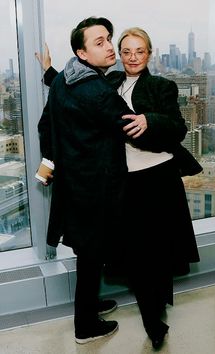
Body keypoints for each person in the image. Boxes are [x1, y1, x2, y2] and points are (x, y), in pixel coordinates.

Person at [36, 26, 201, 350]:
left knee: (155, 253)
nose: (132, 56)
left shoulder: (162, 86)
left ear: (150, 54)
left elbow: (178, 127)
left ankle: (154, 322)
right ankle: (147, 318)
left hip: (158, 180)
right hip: (126, 184)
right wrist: (50, 72)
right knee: (137, 254)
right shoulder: (107, 83)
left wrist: (149, 120)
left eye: (140, 51)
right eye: (126, 50)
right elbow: (81, 94)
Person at [37, 17, 147, 345]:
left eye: (108, 39)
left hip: (74, 184)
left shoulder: (65, 80)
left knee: (88, 253)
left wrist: (48, 72)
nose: (110, 46)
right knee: (90, 256)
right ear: (82, 54)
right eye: (99, 42)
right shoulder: (98, 90)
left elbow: (57, 112)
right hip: (95, 188)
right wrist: (149, 119)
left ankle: (90, 304)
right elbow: (127, 124)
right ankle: (85, 326)